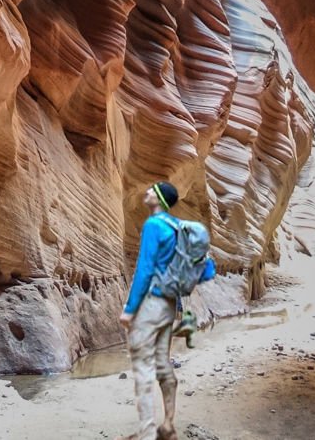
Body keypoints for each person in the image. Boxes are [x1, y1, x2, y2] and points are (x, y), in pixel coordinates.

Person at [117, 181, 215, 440]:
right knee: (162, 362)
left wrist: (130, 308)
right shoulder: (176, 226)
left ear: (159, 199)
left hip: (152, 301)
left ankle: (148, 432)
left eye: (152, 190)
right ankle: (169, 426)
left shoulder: (154, 225)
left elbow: (145, 269)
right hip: (170, 302)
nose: (146, 192)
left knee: (142, 367)